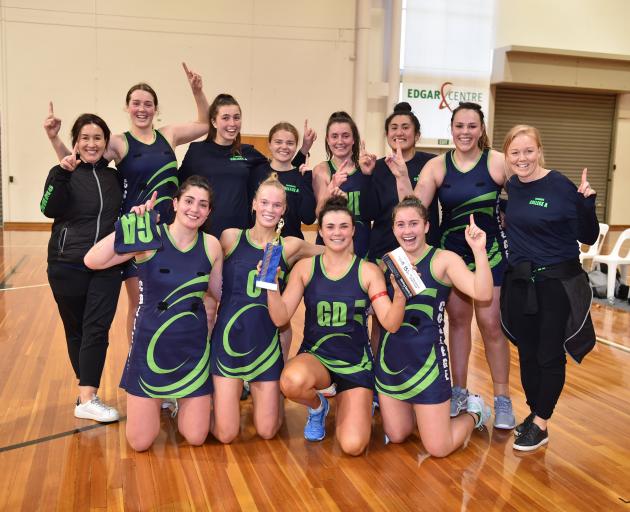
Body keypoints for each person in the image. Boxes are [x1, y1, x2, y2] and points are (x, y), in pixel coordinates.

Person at [44, 63, 211, 345]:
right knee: (141, 304)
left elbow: (205, 124)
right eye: (136, 103)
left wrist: (198, 92)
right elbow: (79, 160)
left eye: (148, 104)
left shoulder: (168, 135)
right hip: (138, 232)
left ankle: (171, 357)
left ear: (156, 109)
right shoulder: (118, 142)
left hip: (173, 231)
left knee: (175, 299)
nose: (142, 109)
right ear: (127, 107)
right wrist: (54, 138)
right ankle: (138, 361)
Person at [84, 176, 223, 450]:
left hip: (192, 352)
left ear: (209, 212)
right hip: (150, 349)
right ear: (175, 203)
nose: (194, 209)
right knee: (139, 443)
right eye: (189, 201)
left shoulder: (211, 245)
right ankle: (161, 401)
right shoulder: (150, 236)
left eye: (203, 204)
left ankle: (178, 403)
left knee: (195, 437)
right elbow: (93, 260)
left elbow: (220, 293)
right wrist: (131, 225)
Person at [266, 196, 407, 456]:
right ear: (320, 231)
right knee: (291, 381)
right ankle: (319, 407)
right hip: (317, 359)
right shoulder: (305, 268)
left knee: (353, 446)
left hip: (355, 365)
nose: (337, 233)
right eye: (330, 227)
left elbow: (390, 322)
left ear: (353, 229)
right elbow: (280, 318)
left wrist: (399, 295)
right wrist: (272, 286)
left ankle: (355, 400)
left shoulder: (368, 271)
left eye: (343, 226)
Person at [404, 102, 514, 428]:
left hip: (490, 254)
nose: (465, 132)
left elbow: (526, 193)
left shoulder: (497, 162)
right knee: (459, 321)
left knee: (491, 324)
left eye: (471, 126)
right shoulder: (438, 166)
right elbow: (413, 209)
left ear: (481, 129)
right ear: (451, 129)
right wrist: (399, 177)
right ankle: (460, 391)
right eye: (459, 126)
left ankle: (503, 399)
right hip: (453, 254)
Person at [500, 125, 598, 451]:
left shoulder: (558, 185)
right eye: (515, 152)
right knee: (526, 354)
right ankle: (534, 413)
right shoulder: (512, 186)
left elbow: (588, 236)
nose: (522, 158)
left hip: (556, 283)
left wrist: (587, 204)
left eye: (528, 151)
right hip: (520, 283)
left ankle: (542, 422)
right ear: (508, 155)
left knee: (548, 355)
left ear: (539, 151)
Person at [376, 196, 493, 457]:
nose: (408, 231)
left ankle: (474, 412)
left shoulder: (444, 260)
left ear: (427, 226)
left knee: (438, 448)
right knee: (397, 435)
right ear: (393, 228)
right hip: (390, 364)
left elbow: (482, 293)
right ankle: (426, 415)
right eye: (401, 225)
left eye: (414, 224)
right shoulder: (386, 262)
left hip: (428, 365)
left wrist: (479, 250)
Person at [210, 174, 322, 443]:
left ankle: (269, 400)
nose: (270, 209)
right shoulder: (231, 238)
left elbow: (330, 251)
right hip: (228, 342)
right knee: (226, 435)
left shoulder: (290, 245)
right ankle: (199, 405)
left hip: (265, 345)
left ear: (284, 209)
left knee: (267, 431)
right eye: (265, 203)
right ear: (254, 205)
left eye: (277, 205)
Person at [40, 113, 122, 422]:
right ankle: (86, 393)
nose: (92, 143)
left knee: (97, 328)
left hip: (107, 264)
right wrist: (62, 174)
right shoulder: (61, 171)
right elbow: (48, 208)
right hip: (66, 263)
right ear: (76, 142)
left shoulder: (114, 177)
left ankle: (87, 396)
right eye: (85, 138)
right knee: (76, 331)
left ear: (105, 142)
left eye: (98, 137)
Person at [179, 94, 314, 238]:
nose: (232, 123)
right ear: (213, 121)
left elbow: (281, 169)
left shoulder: (248, 152)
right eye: (225, 118)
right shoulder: (197, 151)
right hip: (204, 232)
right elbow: (178, 187)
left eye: (236, 117)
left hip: (239, 236)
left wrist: (303, 152)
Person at [359, 102, 439, 262]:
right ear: (387, 134)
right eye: (394, 128)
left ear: (417, 135)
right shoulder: (377, 166)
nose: (399, 132)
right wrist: (366, 176)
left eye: (405, 127)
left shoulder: (432, 163)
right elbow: (368, 213)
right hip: (384, 251)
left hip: (424, 250)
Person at [312, 111, 371, 258]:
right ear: (327, 139)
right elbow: (319, 214)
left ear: (353, 139)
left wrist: (368, 176)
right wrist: (330, 189)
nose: (340, 141)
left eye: (345, 136)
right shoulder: (321, 171)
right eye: (334, 136)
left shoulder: (366, 168)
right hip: (329, 245)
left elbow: (373, 211)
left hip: (361, 244)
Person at [249, 121, 316, 239]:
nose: (284, 147)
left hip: (290, 247)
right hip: (258, 243)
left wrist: (306, 180)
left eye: (290, 143)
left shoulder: (301, 176)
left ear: (296, 146)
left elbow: (309, 219)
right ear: (269, 144)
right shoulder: (256, 171)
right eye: (278, 142)